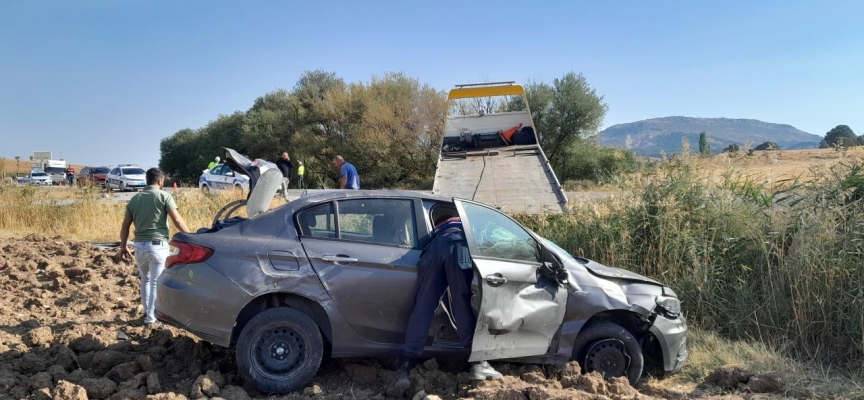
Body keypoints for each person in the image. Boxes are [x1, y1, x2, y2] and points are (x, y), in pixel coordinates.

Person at [389, 213, 502, 396]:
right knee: (462, 303)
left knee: (424, 305)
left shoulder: (437, 229)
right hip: (458, 244)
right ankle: (478, 363)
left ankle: (405, 364)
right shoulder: (471, 219)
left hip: (433, 249)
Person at [119, 168, 191, 330]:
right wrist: (192, 237)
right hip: (158, 246)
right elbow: (177, 221)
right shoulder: (164, 196)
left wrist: (123, 246)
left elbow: (125, 226)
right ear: (160, 181)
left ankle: (148, 314)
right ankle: (151, 319)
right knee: (155, 284)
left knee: (145, 280)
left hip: (139, 246)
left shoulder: (135, 199)